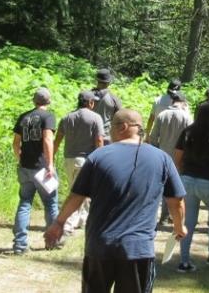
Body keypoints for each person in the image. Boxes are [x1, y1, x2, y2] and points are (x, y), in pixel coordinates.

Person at [45, 110, 186, 293]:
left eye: (110, 127)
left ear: (123, 127)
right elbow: (176, 201)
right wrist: (179, 226)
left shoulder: (98, 157)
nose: (108, 132)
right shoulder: (162, 159)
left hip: (100, 246)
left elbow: (76, 197)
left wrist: (59, 223)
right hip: (138, 249)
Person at [172, 101, 209, 271]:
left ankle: (184, 261)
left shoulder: (188, 131)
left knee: (188, 221)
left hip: (188, 180)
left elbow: (177, 158)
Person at [11, 88, 58, 254]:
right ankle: (53, 241)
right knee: (51, 203)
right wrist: (50, 164)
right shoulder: (48, 117)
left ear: (34, 101)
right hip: (41, 168)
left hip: (25, 167)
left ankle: (20, 244)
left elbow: (16, 143)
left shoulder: (24, 117)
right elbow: (47, 140)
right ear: (49, 101)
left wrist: (20, 158)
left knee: (24, 203)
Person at [53, 90, 105, 236]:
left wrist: (50, 158)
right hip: (86, 161)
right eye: (93, 101)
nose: (94, 103)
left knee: (77, 191)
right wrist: (101, 159)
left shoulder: (67, 117)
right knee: (78, 194)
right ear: (89, 102)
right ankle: (68, 227)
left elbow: (58, 139)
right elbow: (99, 140)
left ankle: (83, 220)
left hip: (69, 159)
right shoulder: (96, 118)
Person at [146, 91, 191, 227]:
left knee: (164, 187)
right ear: (183, 103)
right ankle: (178, 217)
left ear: (172, 102)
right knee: (179, 188)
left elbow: (153, 138)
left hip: (163, 156)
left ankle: (164, 218)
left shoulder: (162, 115)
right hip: (181, 157)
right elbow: (190, 139)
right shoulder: (186, 117)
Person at [91, 67, 123, 138]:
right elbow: (120, 118)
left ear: (97, 81)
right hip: (105, 136)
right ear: (109, 82)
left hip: (88, 134)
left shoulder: (87, 96)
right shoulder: (114, 99)